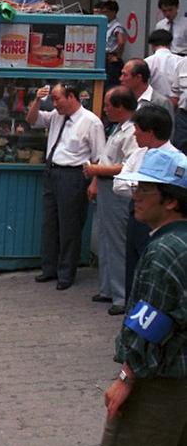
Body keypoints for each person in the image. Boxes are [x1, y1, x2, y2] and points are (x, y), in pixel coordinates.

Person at [99, 148, 187, 446]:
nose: (135, 195)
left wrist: (125, 378)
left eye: (145, 189)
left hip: (160, 383)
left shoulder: (165, 251)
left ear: (171, 201)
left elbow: (151, 324)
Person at [27, 83, 106, 290]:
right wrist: (37, 100)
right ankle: (49, 268)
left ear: (71, 97)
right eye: (52, 99)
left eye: (57, 99)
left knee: (69, 225)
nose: (54, 104)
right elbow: (32, 119)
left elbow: (99, 156)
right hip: (52, 171)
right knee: (50, 223)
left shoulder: (91, 122)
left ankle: (66, 273)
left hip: (73, 175)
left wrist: (94, 183)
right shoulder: (56, 116)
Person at [113, 105, 180, 306]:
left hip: (160, 224)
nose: (134, 133)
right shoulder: (138, 154)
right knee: (133, 268)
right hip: (136, 219)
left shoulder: (178, 161)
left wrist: (135, 186)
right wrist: (142, 188)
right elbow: (118, 184)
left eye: (138, 129)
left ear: (150, 132)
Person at [84, 87, 139, 315]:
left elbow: (128, 165)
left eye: (108, 105)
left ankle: (120, 295)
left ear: (120, 107)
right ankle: (107, 288)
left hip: (118, 190)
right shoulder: (117, 128)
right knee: (105, 239)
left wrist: (98, 169)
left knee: (116, 242)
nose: (105, 109)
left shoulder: (132, 132)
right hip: (106, 186)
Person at [120, 58, 175, 129]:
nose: (121, 78)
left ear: (138, 77)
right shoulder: (124, 98)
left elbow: (167, 133)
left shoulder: (161, 102)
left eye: (125, 75)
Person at [144, 30, 182, 107]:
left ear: (152, 45)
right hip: (179, 105)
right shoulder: (181, 61)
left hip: (154, 105)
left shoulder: (147, 62)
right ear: (170, 43)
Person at [103, 0, 127, 89]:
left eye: (106, 12)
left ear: (113, 12)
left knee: (111, 84)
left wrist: (118, 57)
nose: (104, 14)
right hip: (105, 58)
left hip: (112, 58)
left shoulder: (116, 26)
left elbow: (121, 42)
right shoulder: (106, 25)